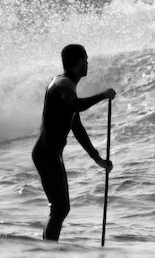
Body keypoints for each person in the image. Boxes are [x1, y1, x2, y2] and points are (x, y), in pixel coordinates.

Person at [32, 44, 115, 241]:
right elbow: (76, 105)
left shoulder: (68, 86)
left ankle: (47, 248)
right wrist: (103, 95)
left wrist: (97, 159)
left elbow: (76, 127)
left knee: (60, 208)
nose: (87, 64)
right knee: (60, 208)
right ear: (78, 61)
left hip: (50, 154)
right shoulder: (62, 84)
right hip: (46, 154)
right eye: (86, 60)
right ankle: (48, 251)